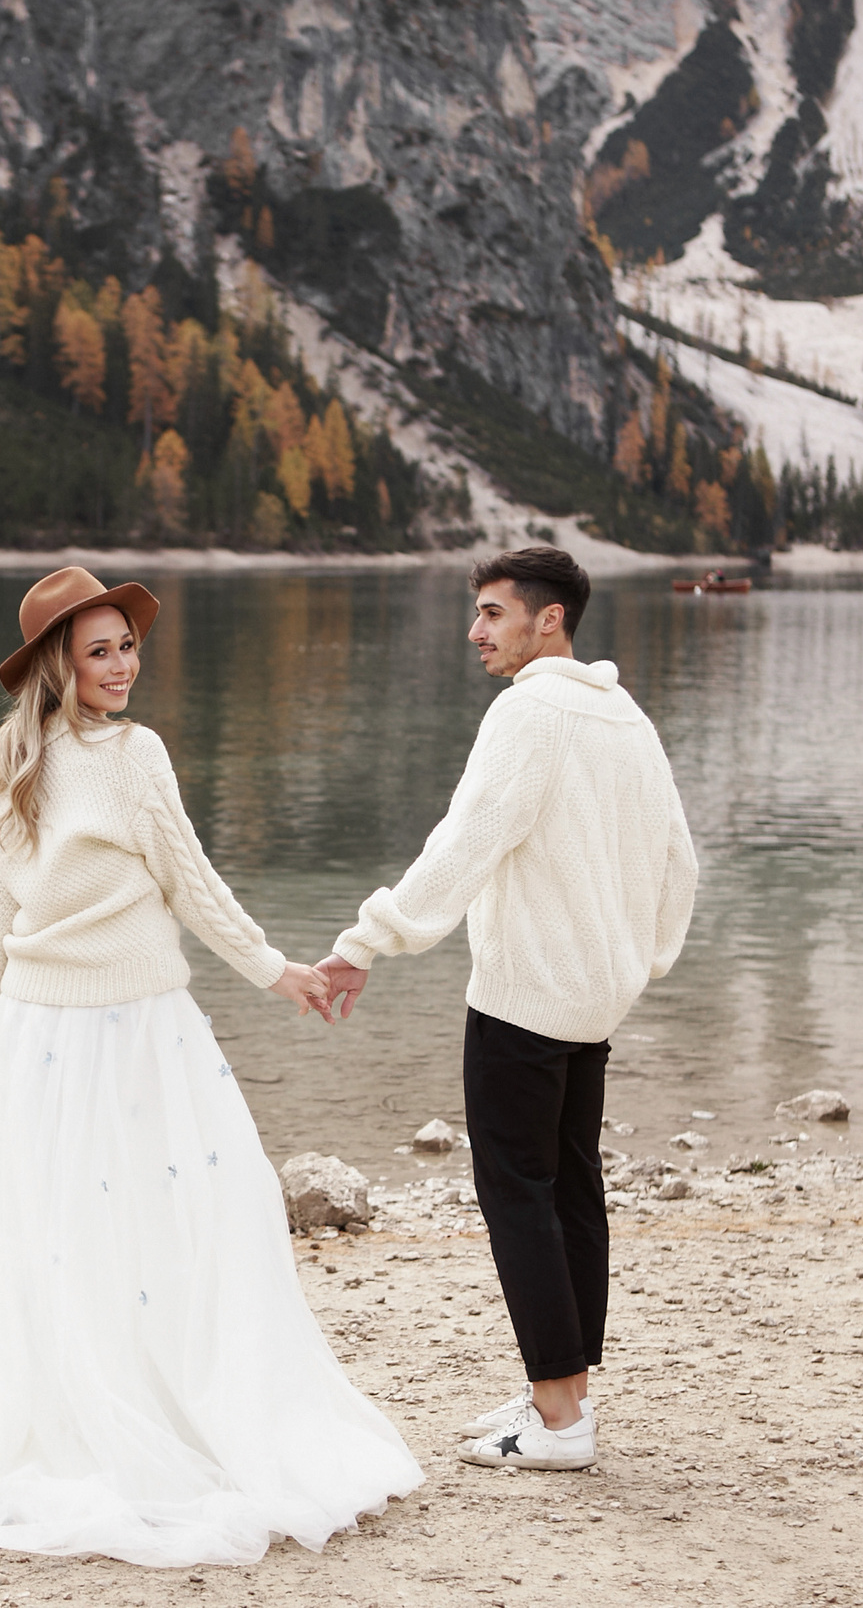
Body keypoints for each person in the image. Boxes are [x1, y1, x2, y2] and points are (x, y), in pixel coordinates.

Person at [0, 566, 422, 1566]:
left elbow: (174, 885)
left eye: (127, 645)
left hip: (93, 1034)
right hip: (85, 1033)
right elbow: (0, 920)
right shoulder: (58, 770)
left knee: (88, 1229)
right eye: (101, 650)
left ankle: (118, 1411)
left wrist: (275, 973)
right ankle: (112, 1424)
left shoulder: (96, 759)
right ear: (60, 665)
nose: (124, 663)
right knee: (121, 1228)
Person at [310, 547, 696, 1472]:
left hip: (525, 999)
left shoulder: (528, 712)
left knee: (518, 1198)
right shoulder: (623, 714)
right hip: (594, 1001)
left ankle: (560, 1423)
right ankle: (561, 1397)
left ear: (548, 618)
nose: (475, 630)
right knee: (571, 1193)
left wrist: (369, 938)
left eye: (492, 612)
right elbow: (678, 857)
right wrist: (640, 961)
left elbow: (465, 842)